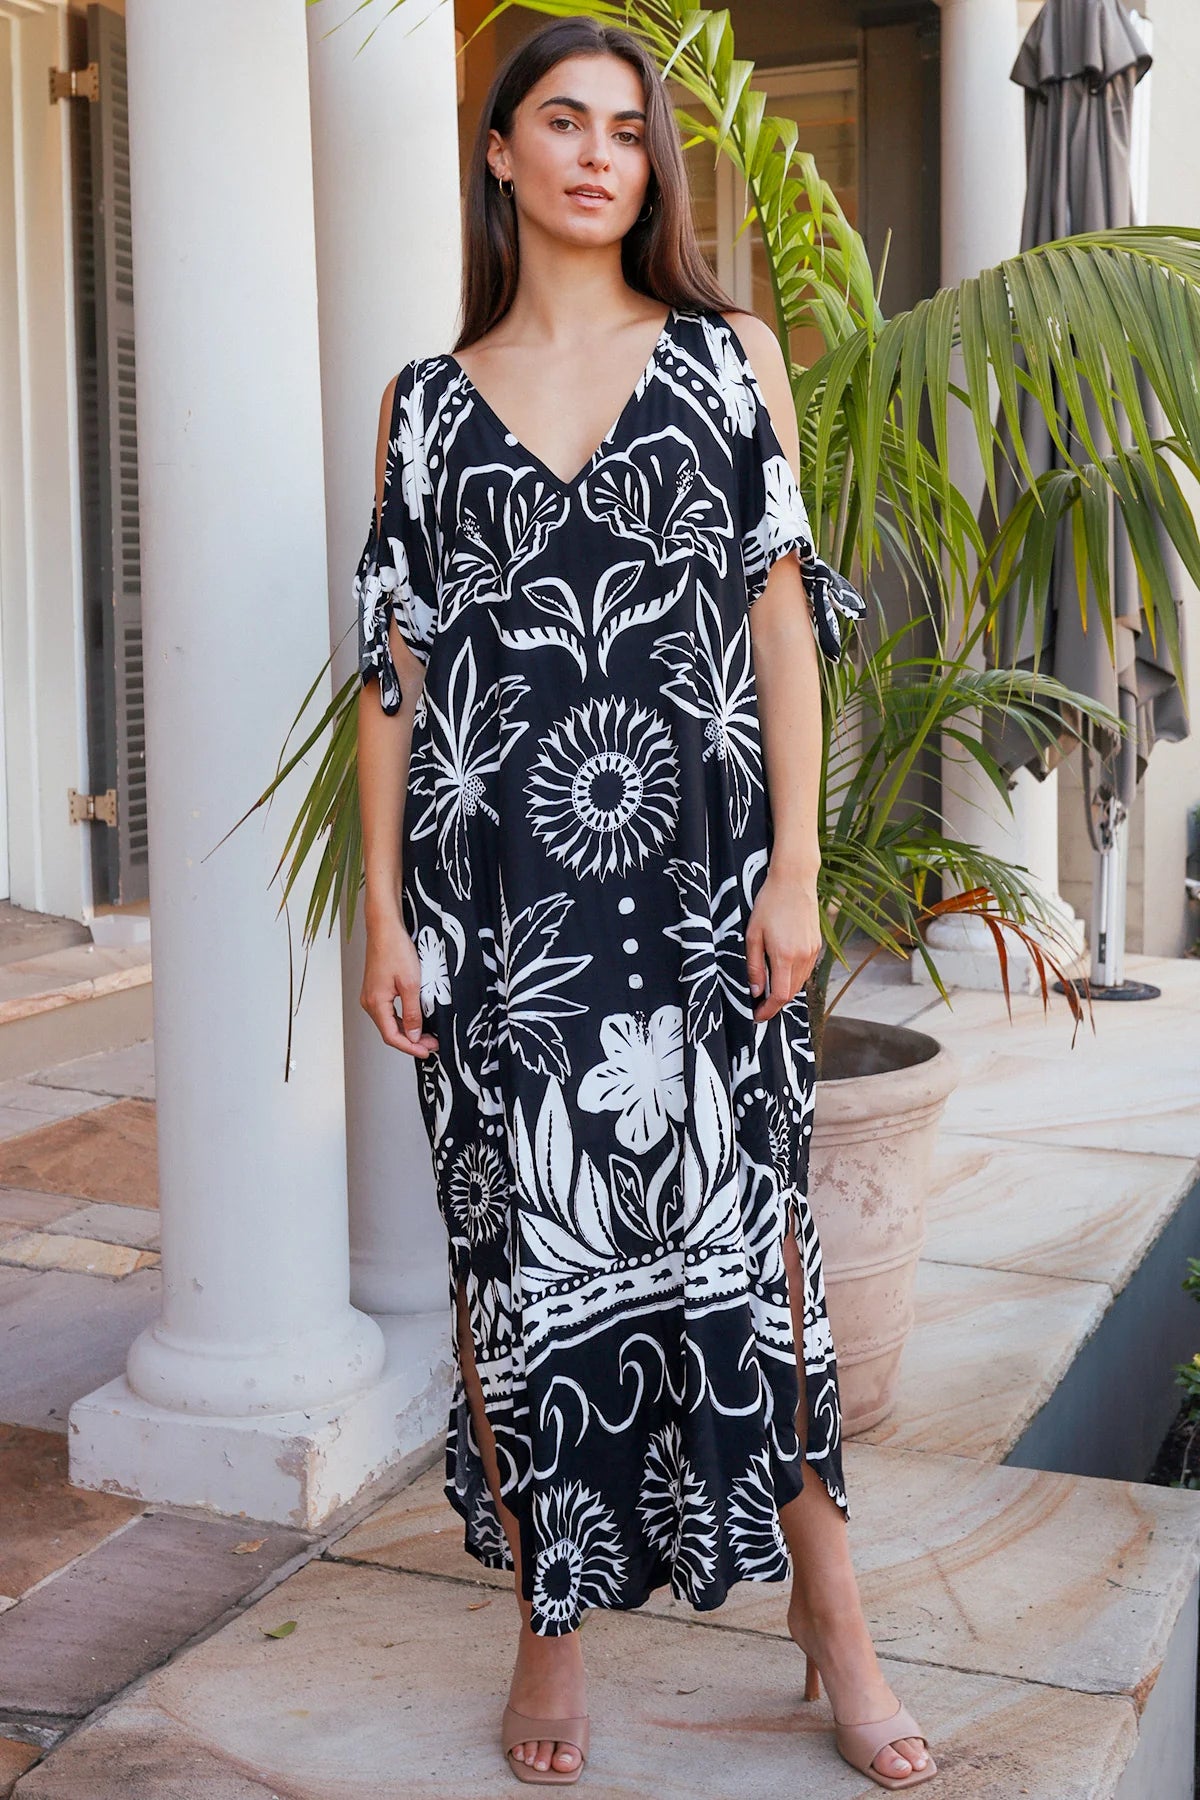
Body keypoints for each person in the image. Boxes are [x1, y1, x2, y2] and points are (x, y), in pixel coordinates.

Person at [354, 16, 936, 1791]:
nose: (600, 152)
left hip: (693, 883)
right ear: (503, 155)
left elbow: (780, 623)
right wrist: (383, 912)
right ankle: (553, 1617)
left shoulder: (727, 355)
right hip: (496, 900)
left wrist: (801, 865)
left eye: (627, 129)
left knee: (755, 1259)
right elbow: (395, 676)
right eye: (562, 121)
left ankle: (829, 1613)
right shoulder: (423, 402)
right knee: (516, 1261)